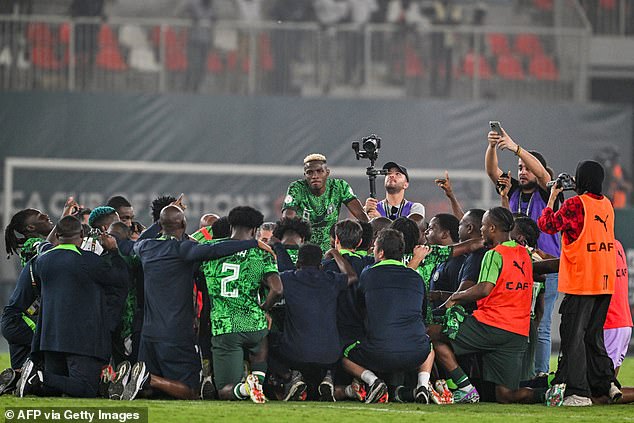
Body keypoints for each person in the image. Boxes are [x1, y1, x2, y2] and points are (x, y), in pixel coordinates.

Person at [111, 205, 273, 401]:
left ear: (162, 225)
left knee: (150, 394)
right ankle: (147, 378)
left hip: (149, 333)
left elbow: (127, 245)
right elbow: (215, 250)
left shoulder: (146, 247)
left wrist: (158, 225)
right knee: (190, 391)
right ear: (183, 223)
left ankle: (133, 379)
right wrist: (252, 244)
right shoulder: (184, 249)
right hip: (177, 332)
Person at [429, 207, 542, 404]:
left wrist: (456, 297)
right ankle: (551, 394)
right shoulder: (523, 253)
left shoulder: (494, 254)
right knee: (506, 395)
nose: (480, 230)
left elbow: (483, 289)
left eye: (482, 226)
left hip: (492, 325)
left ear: (491, 228)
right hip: (517, 333)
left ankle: (464, 388)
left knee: (431, 332)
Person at [538, 160, 621, 406]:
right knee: (593, 337)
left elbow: (548, 225)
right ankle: (608, 384)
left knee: (573, 337)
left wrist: (553, 196)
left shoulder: (576, 204)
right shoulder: (607, 204)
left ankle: (578, 393)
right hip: (604, 281)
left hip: (582, 281)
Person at [15, 216, 127, 398]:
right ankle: (38, 376)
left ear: (58, 235)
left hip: (50, 338)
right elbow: (120, 278)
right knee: (86, 388)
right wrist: (113, 251)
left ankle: (24, 378)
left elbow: (46, 247)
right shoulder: (89, 261)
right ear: (81, 234)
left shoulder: (42, 261)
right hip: (80, 340)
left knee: (55, 389)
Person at [485, 125, 560, 377]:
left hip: (546, 267)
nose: (522, 171)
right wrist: (493, 146)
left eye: (526, 167)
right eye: (519, 168)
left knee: (542, 325)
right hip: (516, 268)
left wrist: (517, 148)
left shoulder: (549, 192)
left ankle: (540, 374)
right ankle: (521, 373)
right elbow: (491, 171)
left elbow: (541, 173)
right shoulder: (513, 191)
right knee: (518, 323)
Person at [341, 229, 434, 404]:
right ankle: (422, 385)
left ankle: (373, 381)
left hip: (378, 354)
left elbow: (360, 307)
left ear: (381, 252)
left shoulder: (368, 274)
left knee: (342, 354)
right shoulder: (416, 278)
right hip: (416, 353)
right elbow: (422, 314)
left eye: (375, 248)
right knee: (429, 346)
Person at [201, 206, 283, 403]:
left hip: (226, 326)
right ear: (255, 230)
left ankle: (247, 389)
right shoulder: (261, 253)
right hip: (255, 324)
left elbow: (188, 243)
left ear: (230, 225)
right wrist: (264, 308)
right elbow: (277, 289)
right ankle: (257, 384)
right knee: (260, 345)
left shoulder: (212, 250)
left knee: (225, 390)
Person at [269, 243, 357, 402]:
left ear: (298, 263)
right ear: (321, 265)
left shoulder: (288, 278)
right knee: (337, 338)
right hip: (330, 356)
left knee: (264, 340)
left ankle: (290, 376)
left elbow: (270, 284)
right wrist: (335, 253)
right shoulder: (331, 279)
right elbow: (352, 276)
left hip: (295, 354)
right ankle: (328, 375)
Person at [282, 153, 368, 252]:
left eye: (319, 171)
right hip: (304, 249)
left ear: (327, 173)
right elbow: (287, 218)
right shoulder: (297, 188)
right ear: (305, 175)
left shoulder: (339, 186)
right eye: (310, 172)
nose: (315, 176)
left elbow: (361, 215)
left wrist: (368, 241)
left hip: (331, 249)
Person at [603, 240, 632, 377]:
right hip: (622, 322)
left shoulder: (601, 248)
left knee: (604, 388)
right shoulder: (617, 244)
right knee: (610, 387)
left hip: (611, 323)